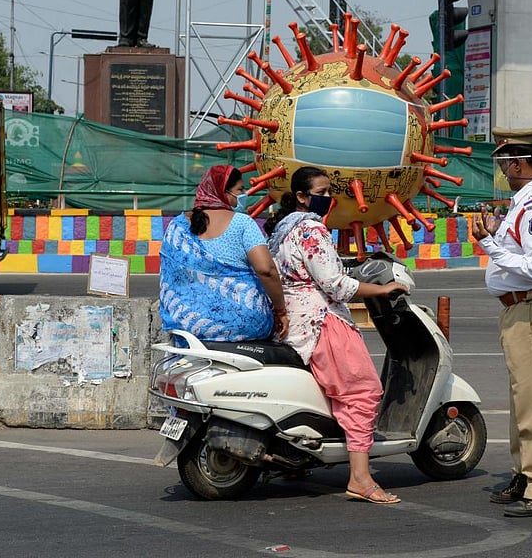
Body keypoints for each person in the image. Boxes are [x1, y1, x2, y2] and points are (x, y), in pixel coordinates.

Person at [263, 166, 409, 505]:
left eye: (330, 192)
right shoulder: (312, 229)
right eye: (323, 192)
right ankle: (360, 478)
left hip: (291, 324)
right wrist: (383, 289)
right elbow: (336, 285)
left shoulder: (282, 229)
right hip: (321, 320)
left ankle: (297, 464)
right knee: (363, 392)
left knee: (322, 392)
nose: (329, 198)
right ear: (302, 196)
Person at [472, 127, 532, 518]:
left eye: (504, 164)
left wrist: (489, 244)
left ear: (516, 163)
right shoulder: (528, 200)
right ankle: (524, 474)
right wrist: (499, 232)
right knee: (523, 399)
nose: (502, 172)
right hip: (525, 307)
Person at [159, 165, 288, 342]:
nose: (244, 195)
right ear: (223, 192)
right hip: (245, 325)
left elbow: (172, 279)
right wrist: (280, 310)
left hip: (189, 327)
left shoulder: (176, 227)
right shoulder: (243, 223)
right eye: (240, 190)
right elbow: (266, 270)